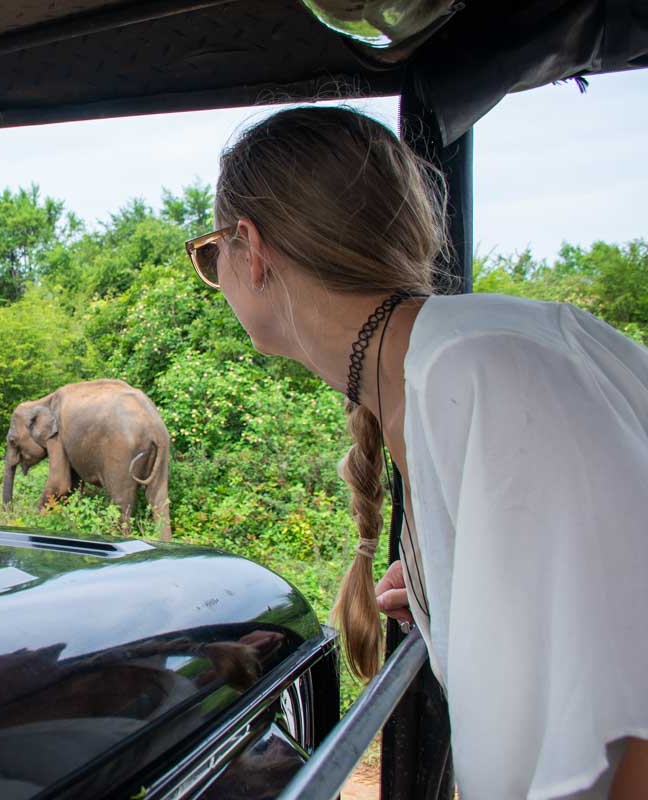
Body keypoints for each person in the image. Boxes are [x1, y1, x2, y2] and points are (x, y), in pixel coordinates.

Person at [189, 105, 647, 798]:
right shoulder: (452, 369)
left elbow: (630, 725)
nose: (213, 270)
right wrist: (461, 589)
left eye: (209, 252)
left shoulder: (481, 377)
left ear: (250, 249)